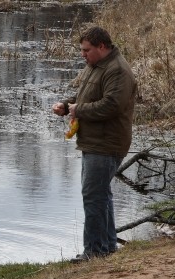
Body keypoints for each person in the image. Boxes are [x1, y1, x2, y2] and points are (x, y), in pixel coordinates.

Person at [52, 26, 137, 263]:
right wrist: (67, 106)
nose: (83, 55)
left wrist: (78, 109)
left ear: (102, 46)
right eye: (82, 50)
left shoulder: (118, 71)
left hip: (107, 143)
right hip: (94, 141)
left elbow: (111, 105)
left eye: (86, 50)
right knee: (100, 194)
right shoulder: (96, 66)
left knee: (93, 195)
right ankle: (107, 247)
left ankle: (94, 251)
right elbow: (86, 98)